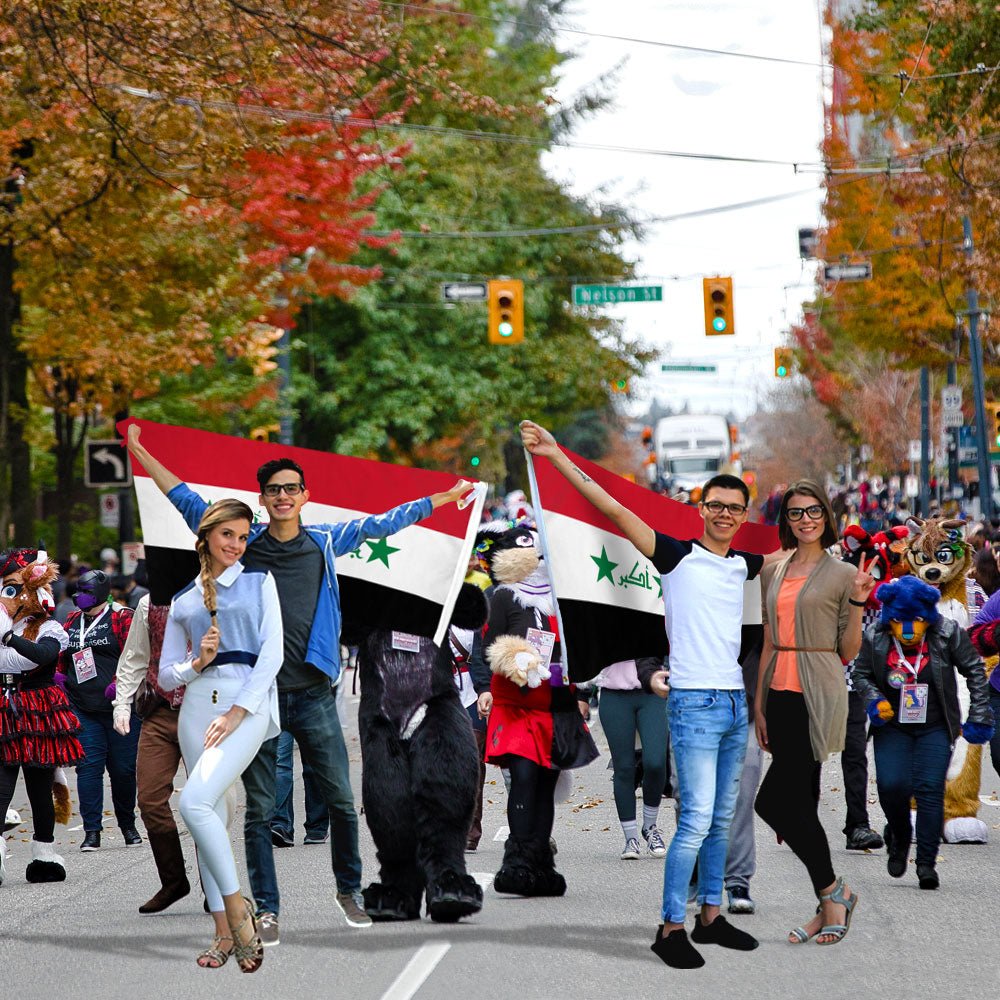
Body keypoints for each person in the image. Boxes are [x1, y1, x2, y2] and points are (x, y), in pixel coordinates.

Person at [127, 422, 472, 942]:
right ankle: (266, 909)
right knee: (261, 810)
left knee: (338, 798)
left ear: (305, 496)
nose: (283, 496)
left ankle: (349, 891)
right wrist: (138, 451)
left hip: (313, 694)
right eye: (274, 490)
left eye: (292, 488)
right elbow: (184, 499)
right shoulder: (244, 544)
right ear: (262, 500)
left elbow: (385, 524)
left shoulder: (326, 542)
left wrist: (442, 499)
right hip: (257, 698)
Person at [520, 419, 764, 970]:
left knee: (721, 817)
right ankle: (669, 927)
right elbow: (611, 508)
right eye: (716, 505)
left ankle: (711, 916)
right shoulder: (677, 556)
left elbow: (796, 558)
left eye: (734, 508)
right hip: (694, 703)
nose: (724, 513)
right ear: (702, 509)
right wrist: (558, 455)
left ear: (744, 516)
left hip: (732, 704)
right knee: (697, 818)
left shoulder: (743, 566)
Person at [158, 498, 280, 971]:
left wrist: (236, 711)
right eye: (228, 534)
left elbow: (272, 654)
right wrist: (197, 663)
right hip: (195, 709)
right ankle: (222, 936)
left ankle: (238, 915)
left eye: (243, 536)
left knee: (193, 802)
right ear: (207, 535)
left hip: (243, 706)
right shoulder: (186, 599)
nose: (236, 544)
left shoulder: (259, 581)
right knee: (211, 816)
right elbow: (166, 676)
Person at [754, 480, 873, 946]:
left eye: (814, 512)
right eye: (796, 513)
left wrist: (860, 602)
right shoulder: (773, 569)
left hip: (817, 690)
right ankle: (829, 901)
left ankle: (833, 892)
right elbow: (767, 637)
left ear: (827, 516)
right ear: (785, 520)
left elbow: (846, 649)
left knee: (771, 802)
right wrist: (759, 704)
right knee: (798, 804)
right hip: (777, 691)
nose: (805, 520)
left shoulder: (843, 573)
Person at [856, 575, 993, 889]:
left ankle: (927, 863)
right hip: (892, 726)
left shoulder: (947, 633)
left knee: (930, 790)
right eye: (901, 621)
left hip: (935, 726)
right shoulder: (875, 636)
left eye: (916, 621)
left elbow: (974, 669)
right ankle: (900, 835)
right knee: (892, 786)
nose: (908, 629)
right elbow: (862, 675)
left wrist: (980, 713)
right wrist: (875, 701)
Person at [0, 547, 81, 885]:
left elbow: (41, 657)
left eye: (15, 588)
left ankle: (44, 854)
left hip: (37, 710)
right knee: (2, 788)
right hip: (4, 708)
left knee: (39, 787)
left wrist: (7, 639)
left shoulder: (49, 628)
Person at [112, 592, 192, 913]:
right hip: (159, 712)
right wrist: (121, 704)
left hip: (203, 712)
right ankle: (174, 880)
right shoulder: (149, 604)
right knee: (149, 798)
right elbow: (134, 658)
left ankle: (216, 884)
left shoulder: (219, 594)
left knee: (205, 800)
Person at [60, 570, 141, 852]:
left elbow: (137, 656)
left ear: (100, 591)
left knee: (123, 770)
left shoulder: (122, 617)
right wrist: (60, 677)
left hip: (121, 707)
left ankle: (128, 825)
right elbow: (63, 655)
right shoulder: (72, 620)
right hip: (83, 707)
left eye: (85, 590)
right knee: (88, 769)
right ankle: (92, 830)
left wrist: (120, 685)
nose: (78, 595)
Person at [596, 658, 668, 861]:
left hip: (651, 692)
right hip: (614, 694)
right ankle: (631, 838)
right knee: (624, 767)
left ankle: (650, 827)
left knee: (656, 761)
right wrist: (582, 695)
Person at [270, 729, 329, 847]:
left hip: (312, 711)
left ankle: (317, 828)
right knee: (280, 762)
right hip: (282, 711)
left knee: (312, 764)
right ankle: (281, 825)